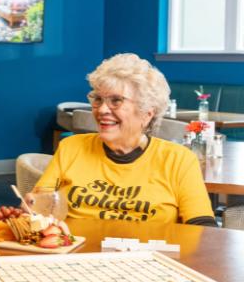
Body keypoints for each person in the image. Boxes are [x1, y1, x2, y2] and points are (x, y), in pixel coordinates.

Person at [33, 53, 215, 226]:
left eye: (116, 101)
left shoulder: (179, 160)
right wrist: (34, 210)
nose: (102, 110)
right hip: (76, 253)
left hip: (148, 256)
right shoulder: (70, 148)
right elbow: (38, 209)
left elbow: (202, 229)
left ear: (146, 114)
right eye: (98, 99)